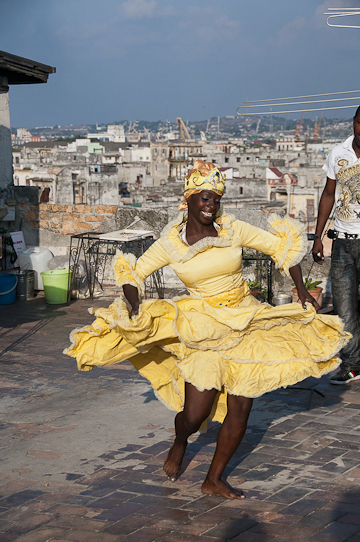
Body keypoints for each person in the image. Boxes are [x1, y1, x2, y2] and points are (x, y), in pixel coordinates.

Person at [66, 160, 349, 499]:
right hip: (204, 325)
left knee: (242, 406)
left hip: (245, 318)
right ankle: (180, 441)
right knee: (193, 414)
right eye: (203, 198)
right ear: (187, 199)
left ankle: (213, 478)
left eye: (215, 199)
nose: (210, 206)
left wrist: (301, 288)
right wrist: (135, 303)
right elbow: (133, 273)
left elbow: (281, 247)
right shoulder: (171, 244)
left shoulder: (231, 229)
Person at [312, 106, 360, 385]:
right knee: (344, 307)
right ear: (353, 123)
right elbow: (328, 194)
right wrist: (318, 236)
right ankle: (352, 364)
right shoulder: (337, 153)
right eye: (359, 123)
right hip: (342, 241)